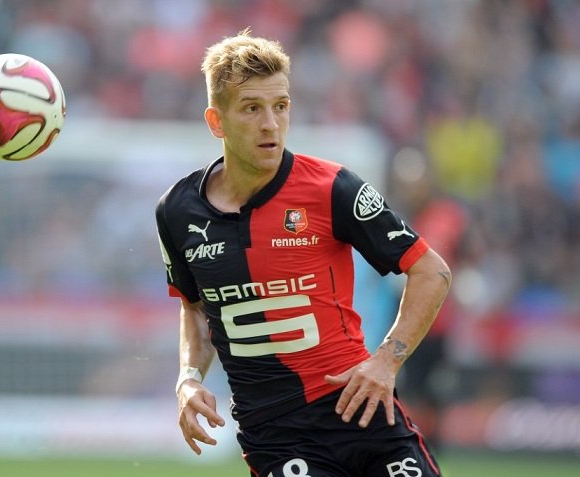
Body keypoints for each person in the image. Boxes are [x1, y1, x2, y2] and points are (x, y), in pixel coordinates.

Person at [155, 29, 451, 477]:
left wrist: (387, 360)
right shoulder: (177, 212)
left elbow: (431, 271)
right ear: (216, 122)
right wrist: (188, 379)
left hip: (361, 410)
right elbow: (195, 308)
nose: (270, 124)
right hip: (276, 436)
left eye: (280, 106)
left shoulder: (333, 188)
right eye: (251, 108)